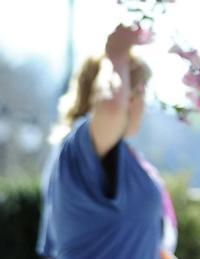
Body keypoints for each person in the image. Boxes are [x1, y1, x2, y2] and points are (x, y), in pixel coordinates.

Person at [37, 24, 178, 259]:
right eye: (143, 92)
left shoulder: (119, 156)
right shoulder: (80, 148)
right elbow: (112, 108)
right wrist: (117, 56)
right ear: (130, 97)